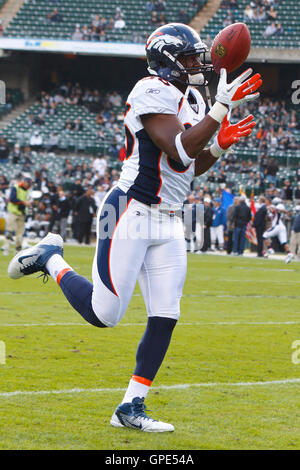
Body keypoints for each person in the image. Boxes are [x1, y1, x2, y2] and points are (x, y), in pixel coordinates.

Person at [7, 23, 261, 432]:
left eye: (200, 56)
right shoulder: (150, 89)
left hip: (170, 218)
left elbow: (190, 168)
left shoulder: (193, 97)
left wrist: (218, 142)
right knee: (104, 315)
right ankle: (51, 258)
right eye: (190, 57)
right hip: (131, 210)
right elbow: (178, 151)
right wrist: (218, 114)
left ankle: (130, 406)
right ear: (167, 60)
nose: (198, 63)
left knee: (166, 314)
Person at [2, 177, 32, 255]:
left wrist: (28, 204)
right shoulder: (16, 187)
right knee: (9, 231)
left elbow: (28, 200)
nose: (29, 186)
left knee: (20, 234)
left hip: (22, 213)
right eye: (28, 184)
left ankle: (18, 251)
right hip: (13, 212)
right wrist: (24, 203)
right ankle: (6, 248)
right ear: (24, 182)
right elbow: (12, 199)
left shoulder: (28, 191)